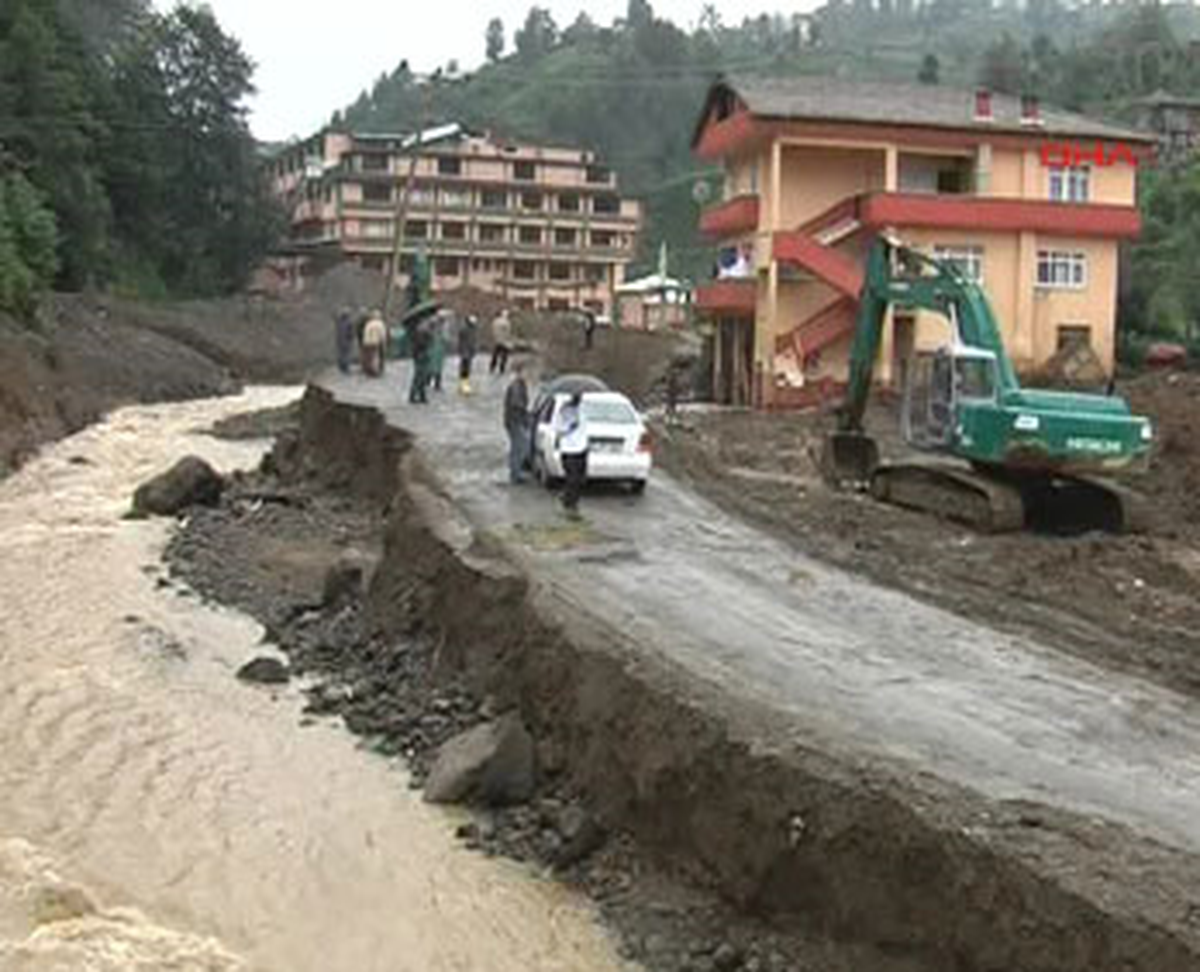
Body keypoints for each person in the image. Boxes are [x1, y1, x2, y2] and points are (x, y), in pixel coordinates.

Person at [555, 391, 589, 518]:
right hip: (569, 449)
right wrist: (570, 427)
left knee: (580, 478)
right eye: (577, 398)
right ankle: (569, 503)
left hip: (582, 448)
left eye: (580, 398)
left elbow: (585, 427)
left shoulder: (583, 409)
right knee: (572, 478)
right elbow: (559, 429)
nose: (579, 400)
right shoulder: (564, 410)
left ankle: (571, 499)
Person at [503, 364, 531, 484]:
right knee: (521, 446)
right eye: (526, 372)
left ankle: (515, 472)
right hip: (515, 420)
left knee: (518, 446)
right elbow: (516, 404)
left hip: (514, 420)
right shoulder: (516, 386)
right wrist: (525, 412)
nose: (528, 375)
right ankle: (515, 474)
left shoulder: (520, 385)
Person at [410, 317, 433, 404]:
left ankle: (421, 395)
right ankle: (414, 395)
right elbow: (422, 344)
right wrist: (429, 337)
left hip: (420, 354)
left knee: (422, 375)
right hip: (421, 355)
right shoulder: (421, 331)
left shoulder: (420, 330)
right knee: (419, 375)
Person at [360, 310, 387, 378]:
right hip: (375, 341)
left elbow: (365, 333)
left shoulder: (369, 323)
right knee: (375, 356)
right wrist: (383, 342)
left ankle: (369, 370)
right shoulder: (380, 323)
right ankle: (375, 371)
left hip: (366, 342)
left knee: (369, 357)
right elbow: (382, 334)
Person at [430, 310, 451, 392]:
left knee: (436, 366)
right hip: (436, 348)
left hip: (437, 348)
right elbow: (445, 337)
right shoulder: (436, 325)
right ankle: (436, 383)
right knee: (436, 366)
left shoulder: (441, 325)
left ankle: (435, 383)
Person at [458, 314, 479, 395]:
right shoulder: (465, 329)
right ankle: (463, 385)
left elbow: (473, 340)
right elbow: (463, 341)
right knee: (465, 369)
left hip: (469, 351)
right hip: (465, 351)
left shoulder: (472, 329)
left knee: (467, 369)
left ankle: (464, 384)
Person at [489, 309, 513, 375]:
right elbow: (508, 333)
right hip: (504, 341)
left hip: (496, 340)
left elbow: (493, 330)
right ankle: (502, 368)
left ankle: (492, 367)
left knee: (495, 355)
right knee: (504, 356)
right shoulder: (507, 323)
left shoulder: (495, 321)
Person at [334, 306, 355, 374]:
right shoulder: (349, 322)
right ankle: (346, 368)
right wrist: (351, 338)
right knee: (346, 354)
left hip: (339, 340)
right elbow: (351, 333)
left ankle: (341, 366)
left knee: (341, 353)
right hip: (346, 340)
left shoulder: (339, 321)